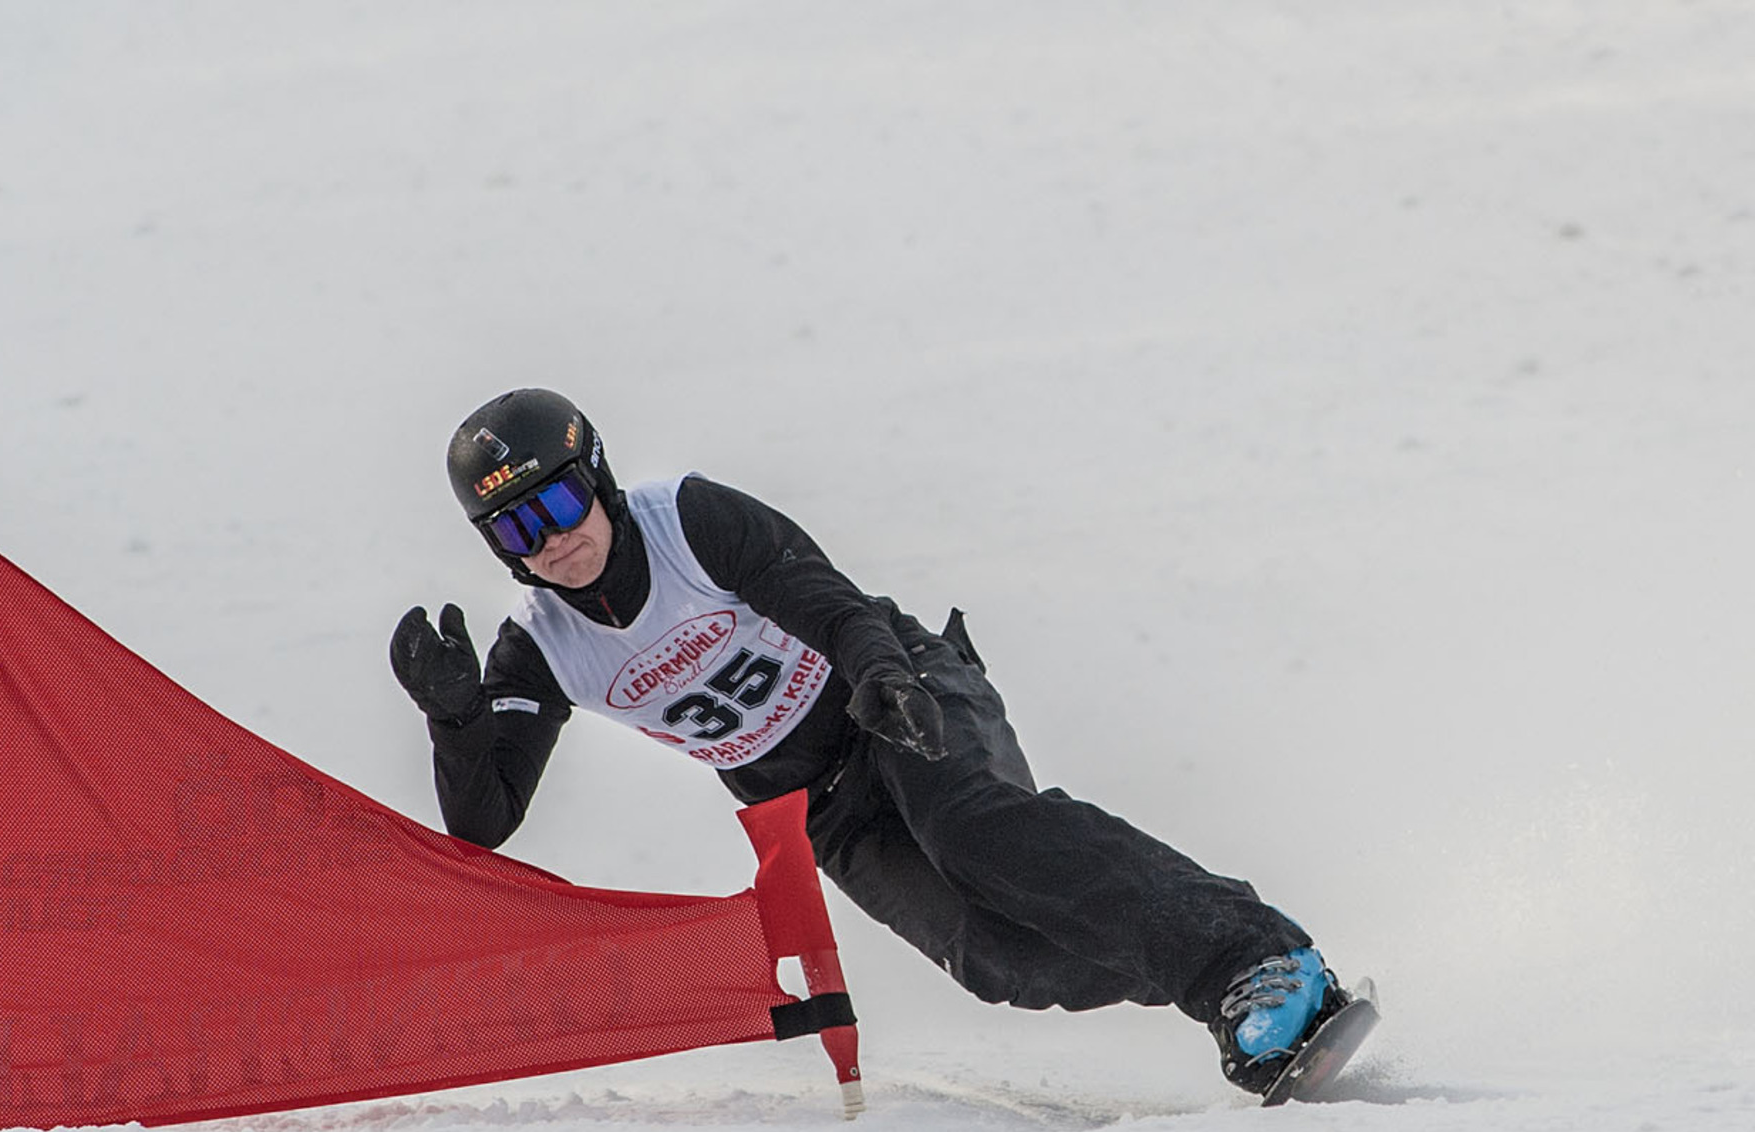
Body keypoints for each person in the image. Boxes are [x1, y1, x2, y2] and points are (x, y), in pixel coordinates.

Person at [391, 387, 1359, 1095]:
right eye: (516, 528)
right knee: (1002, 962)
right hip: (815, 799)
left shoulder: (687, 520)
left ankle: (1251, 963)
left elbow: (830, 604)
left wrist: (888, 677)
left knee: (974, 830)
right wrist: (455, 721)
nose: (551, 539)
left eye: (558, 504)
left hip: (888, 691)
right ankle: (1222, 979)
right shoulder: (539, 649)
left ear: (594, 479)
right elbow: (482, 825)